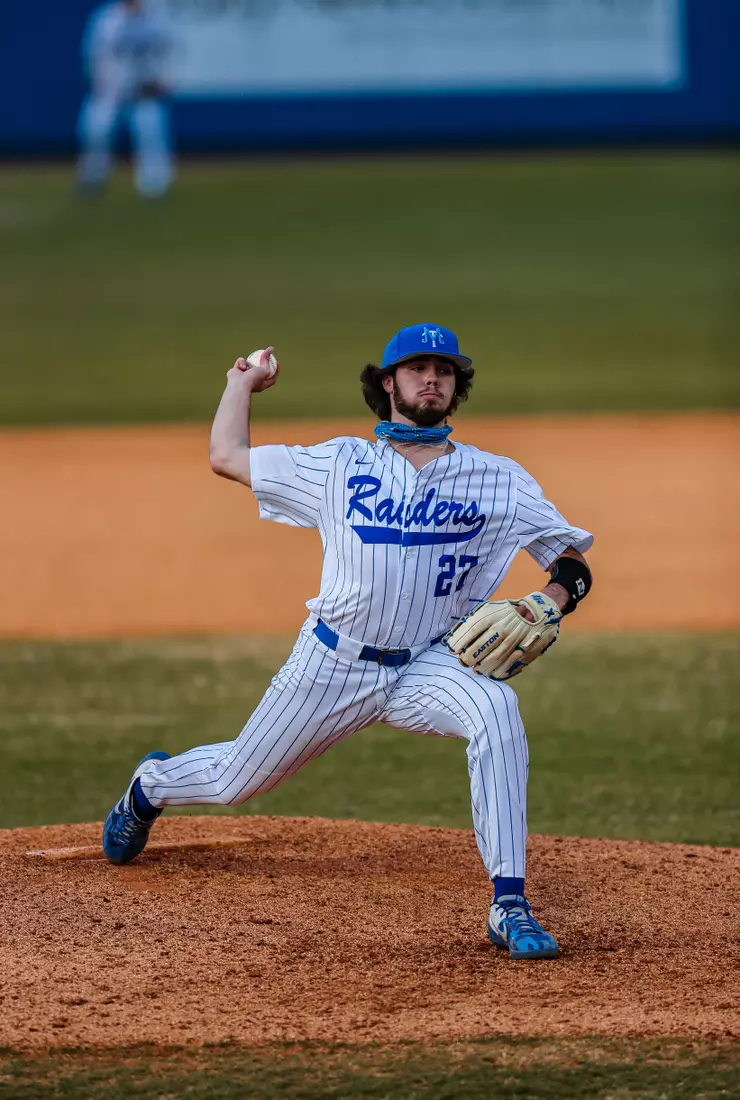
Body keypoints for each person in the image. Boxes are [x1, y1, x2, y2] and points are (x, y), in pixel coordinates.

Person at [102, 324, 594, 960]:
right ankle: (150, 786)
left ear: (456, 386)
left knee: (497, 711)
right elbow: (226, 455)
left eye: (444, 370)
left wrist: (545, 603)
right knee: (235, 782)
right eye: (417, 368)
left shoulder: (498, 480)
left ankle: (509, 903)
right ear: (388, 383)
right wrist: (239, 382)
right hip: (333, 661)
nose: (432, 379)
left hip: (432, 663)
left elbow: (572, 565)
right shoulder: (337, 464)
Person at [77, 0, 175, 198]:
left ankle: (155, 186)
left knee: (151, 132)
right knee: (96, 130)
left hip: (143, 89)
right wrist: (102, 82)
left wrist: (163, 79)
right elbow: (93, 54)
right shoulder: (107, 19)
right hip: (111, 89)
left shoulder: (155, 21)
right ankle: (93, 179)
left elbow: (169, 52)